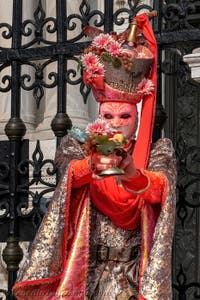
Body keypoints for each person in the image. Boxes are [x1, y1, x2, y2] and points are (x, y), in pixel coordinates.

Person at [13, 13, 176, 300]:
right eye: (107, 115)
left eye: (124, 115)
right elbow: (69, 175)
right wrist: (91, 164)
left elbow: (163, 187)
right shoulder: (76, 146)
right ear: (97, 115)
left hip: (133, 273)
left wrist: (133, 174)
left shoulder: (156, 151)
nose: (115, 123)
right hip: (86, 272)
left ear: (136, 118)